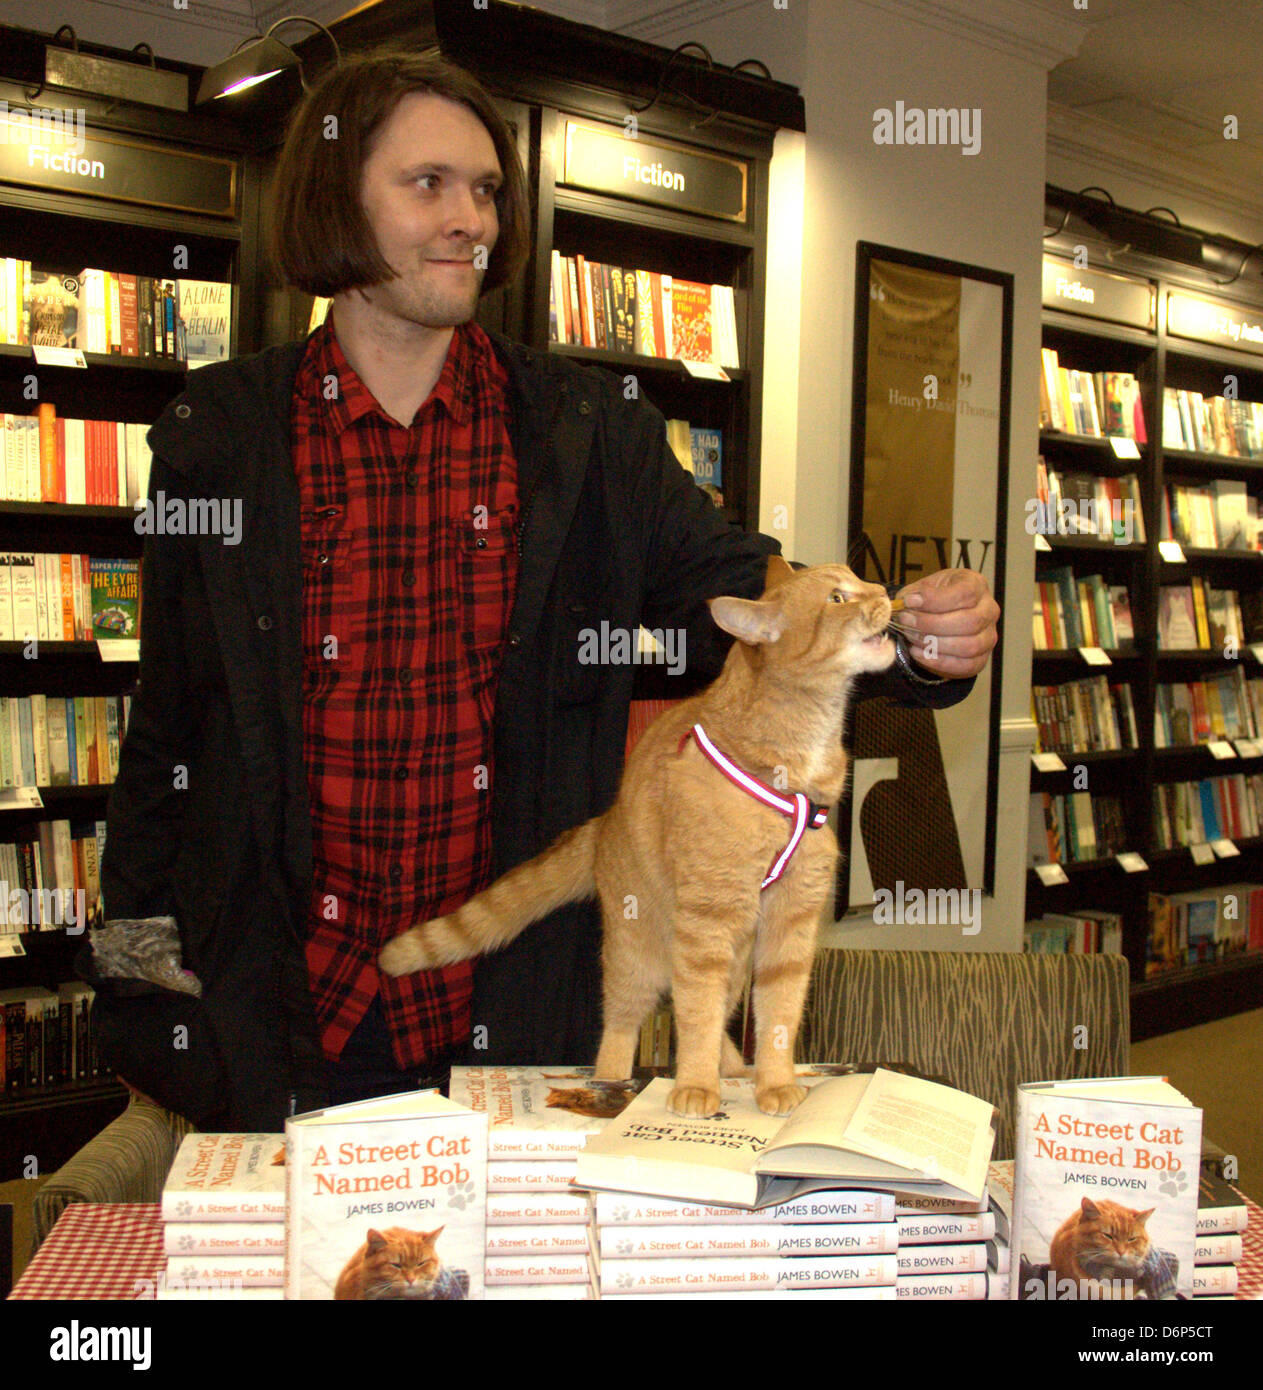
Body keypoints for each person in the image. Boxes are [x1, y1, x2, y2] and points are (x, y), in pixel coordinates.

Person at [88, 49, 999, 1132]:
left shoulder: (587, 432)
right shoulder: (220, 436)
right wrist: (138, 960)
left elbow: (741, 588)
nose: (470, 217)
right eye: (428, 184)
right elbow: (172, 718)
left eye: (484, 189)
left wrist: (919, 645)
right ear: (337, 197)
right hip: (287, 999)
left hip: (519, 999)